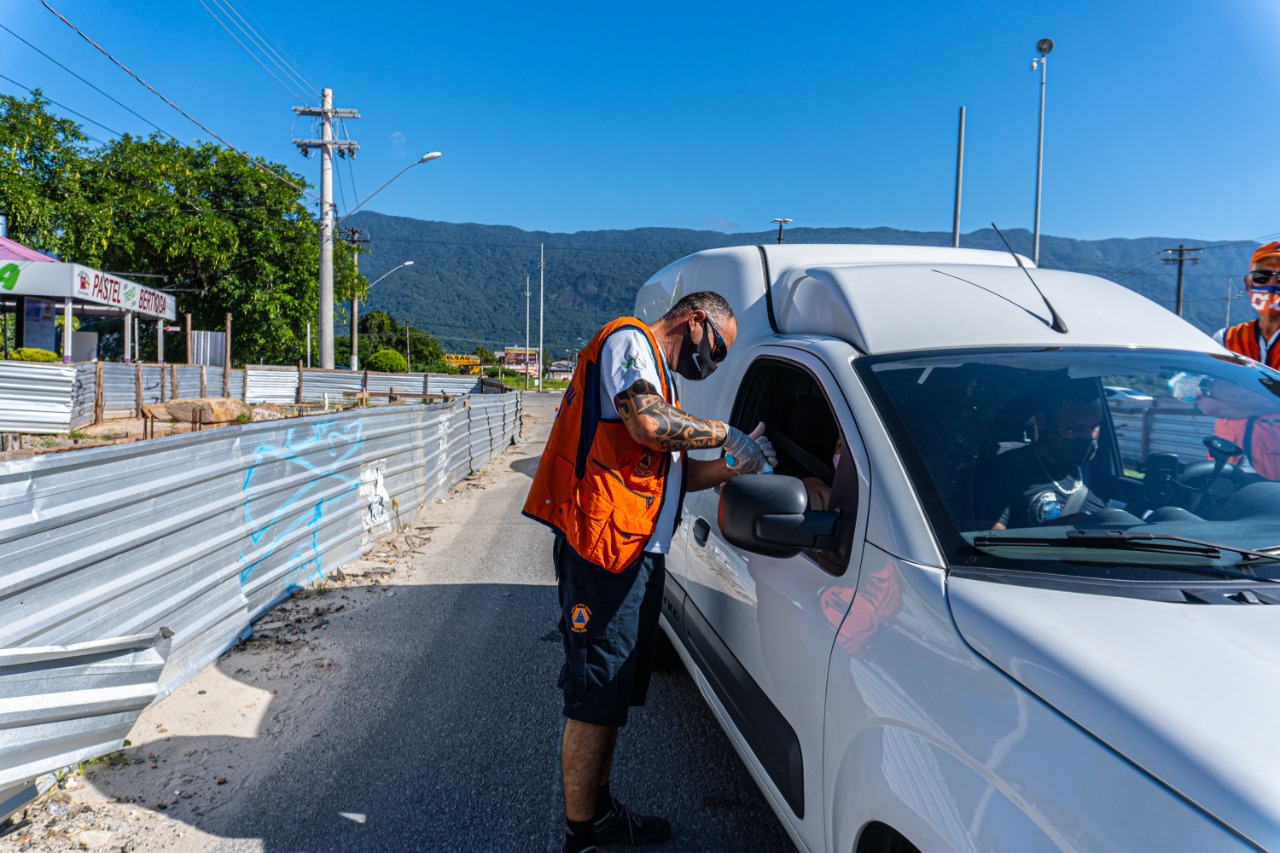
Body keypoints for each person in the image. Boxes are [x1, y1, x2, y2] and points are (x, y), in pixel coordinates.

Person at [523, 292, 775, 853]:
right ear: (696, 321)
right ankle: (579, 837)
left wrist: (737, 461)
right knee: (593, 698)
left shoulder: (667, 382)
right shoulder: (629, 342)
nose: (713, 364)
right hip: (600, 552)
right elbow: (645, 423)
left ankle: (601, 813)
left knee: (613, 693)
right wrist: (724, 433)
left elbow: (676, 476)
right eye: (717, 350)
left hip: (634, 552)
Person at [975, 380, 1116, 529]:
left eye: (1095, 427)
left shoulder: (1102, 478)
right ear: (1042, 421)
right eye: (1073, 429)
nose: (1089, 437)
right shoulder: (1003, 472)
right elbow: (990, 543)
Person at [1211, 241, 1280, 479]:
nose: (1272, 284)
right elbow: (1206, 403)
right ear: (1248, 282)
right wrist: (1271, 398)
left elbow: (1217, 395)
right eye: (1263, 276)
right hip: (1224, 466)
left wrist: (1233, 395)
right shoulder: (1225, 338)